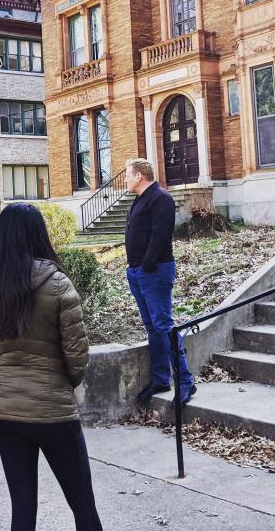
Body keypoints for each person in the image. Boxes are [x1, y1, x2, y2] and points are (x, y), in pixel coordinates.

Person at [0, 203, 102, 531]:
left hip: (5, 412)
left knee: (22, 507)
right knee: (82, 503)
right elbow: (78, 356)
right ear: (38, 233)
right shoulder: (57, 283)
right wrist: (60, 382)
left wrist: (2, 378)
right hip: (53, 410)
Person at [123, 158, 196, 404]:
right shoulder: (140, 199)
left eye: (127, 174)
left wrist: (146, 266)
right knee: (152, 327)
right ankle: (160, 379)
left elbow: (161, 235)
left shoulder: (160, 198)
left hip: (154, 272)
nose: (125, 179)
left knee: (163, 326)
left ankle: (185, 381)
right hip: (137, 273)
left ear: (139, 176)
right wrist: (133, 269)